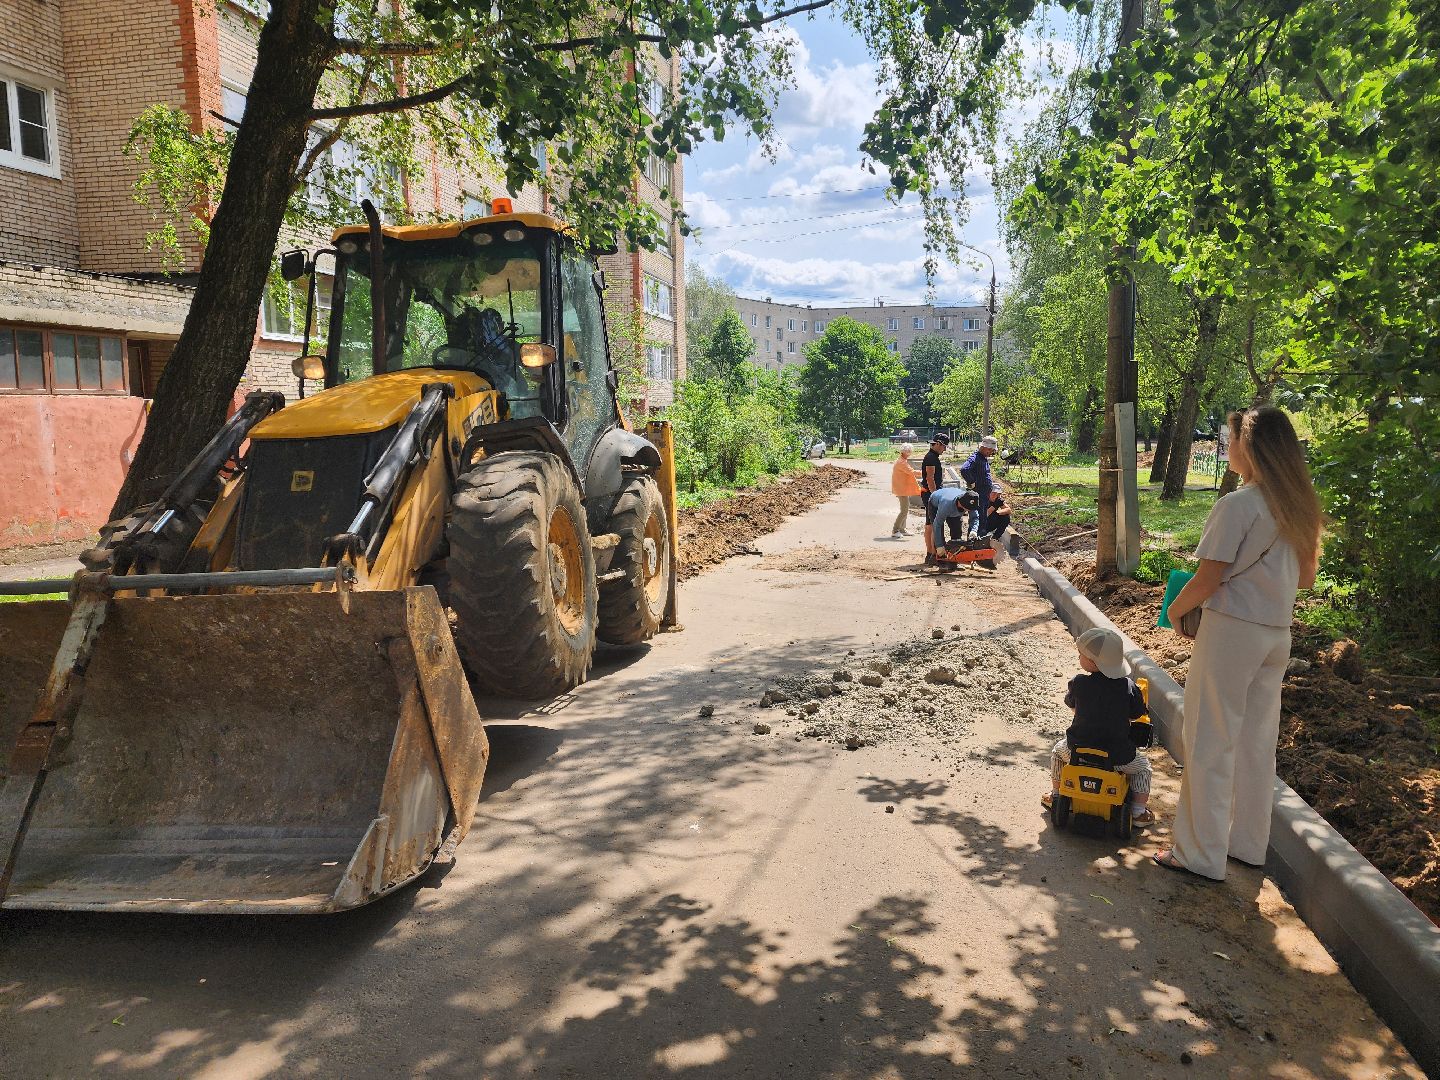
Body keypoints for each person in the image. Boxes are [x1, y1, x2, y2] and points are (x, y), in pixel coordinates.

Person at [1154, 407, 1322, 880]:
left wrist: (1175, 609)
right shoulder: (1299, 506)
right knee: (1256, 744)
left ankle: (1198, 854)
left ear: (1249, 447)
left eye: (1231, 439)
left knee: (1209, 739)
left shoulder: (1238, 505)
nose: (1227, 447)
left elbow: (1209, 578)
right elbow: (1305, 579)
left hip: (1232, 631)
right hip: (1276, 634)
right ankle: (1245, 844)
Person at [1042, 627, 1155, 825]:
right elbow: (1137, 714)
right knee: (1144, 769)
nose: (1079, 657)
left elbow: (1073, 707)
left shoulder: (1078, 683)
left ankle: (1056, 794)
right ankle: (1138, 812)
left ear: (1093, 662)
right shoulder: (1129, 687)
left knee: (1057, 753)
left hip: (1077, 752)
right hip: (1118, 756)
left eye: (1081, 655)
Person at [919, 433, 950, 564]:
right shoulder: (931, 458)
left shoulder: (932, 456)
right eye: (944, 446)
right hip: (930, 495)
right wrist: (935, 496)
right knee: (933, 525)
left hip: (929, 494)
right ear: (938, 444)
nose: (945, 449)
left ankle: (930, 554)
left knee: (930, 524)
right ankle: (932, 554)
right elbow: (930, 478)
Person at [960, 435, 998, 534]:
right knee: (978, 518)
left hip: (984, 495)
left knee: (982, 518)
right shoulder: (975, 458)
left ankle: (980, 538)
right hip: (979, 495)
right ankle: (975, 539)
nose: (991, 453)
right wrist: (972, 482)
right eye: (991, 450)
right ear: (986, 448)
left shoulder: (982, 458)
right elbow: (964, 469)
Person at [926, 486, 980, 552]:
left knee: (957, 533)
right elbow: (937, 525)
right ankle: (934, 554)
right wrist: (939, 546)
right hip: (935, 503)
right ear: (961, 503)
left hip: (952, 504)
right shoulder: (946, 506)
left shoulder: (970, 499)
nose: (970, 511)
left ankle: (954, 553)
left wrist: (974, 530)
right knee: (939, 535)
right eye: (968, 508)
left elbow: (975, 517)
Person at [890, 443, 922, 538]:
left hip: (902, 488)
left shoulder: (901, 460)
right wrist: (925, 472)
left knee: (905, 509)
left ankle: (902, 529)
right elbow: (911, 472)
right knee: (904, 510)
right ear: (905, 452)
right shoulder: (902, 462)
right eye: (909, 451)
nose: (910, 453)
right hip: (901, 489)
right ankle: (895, 530)